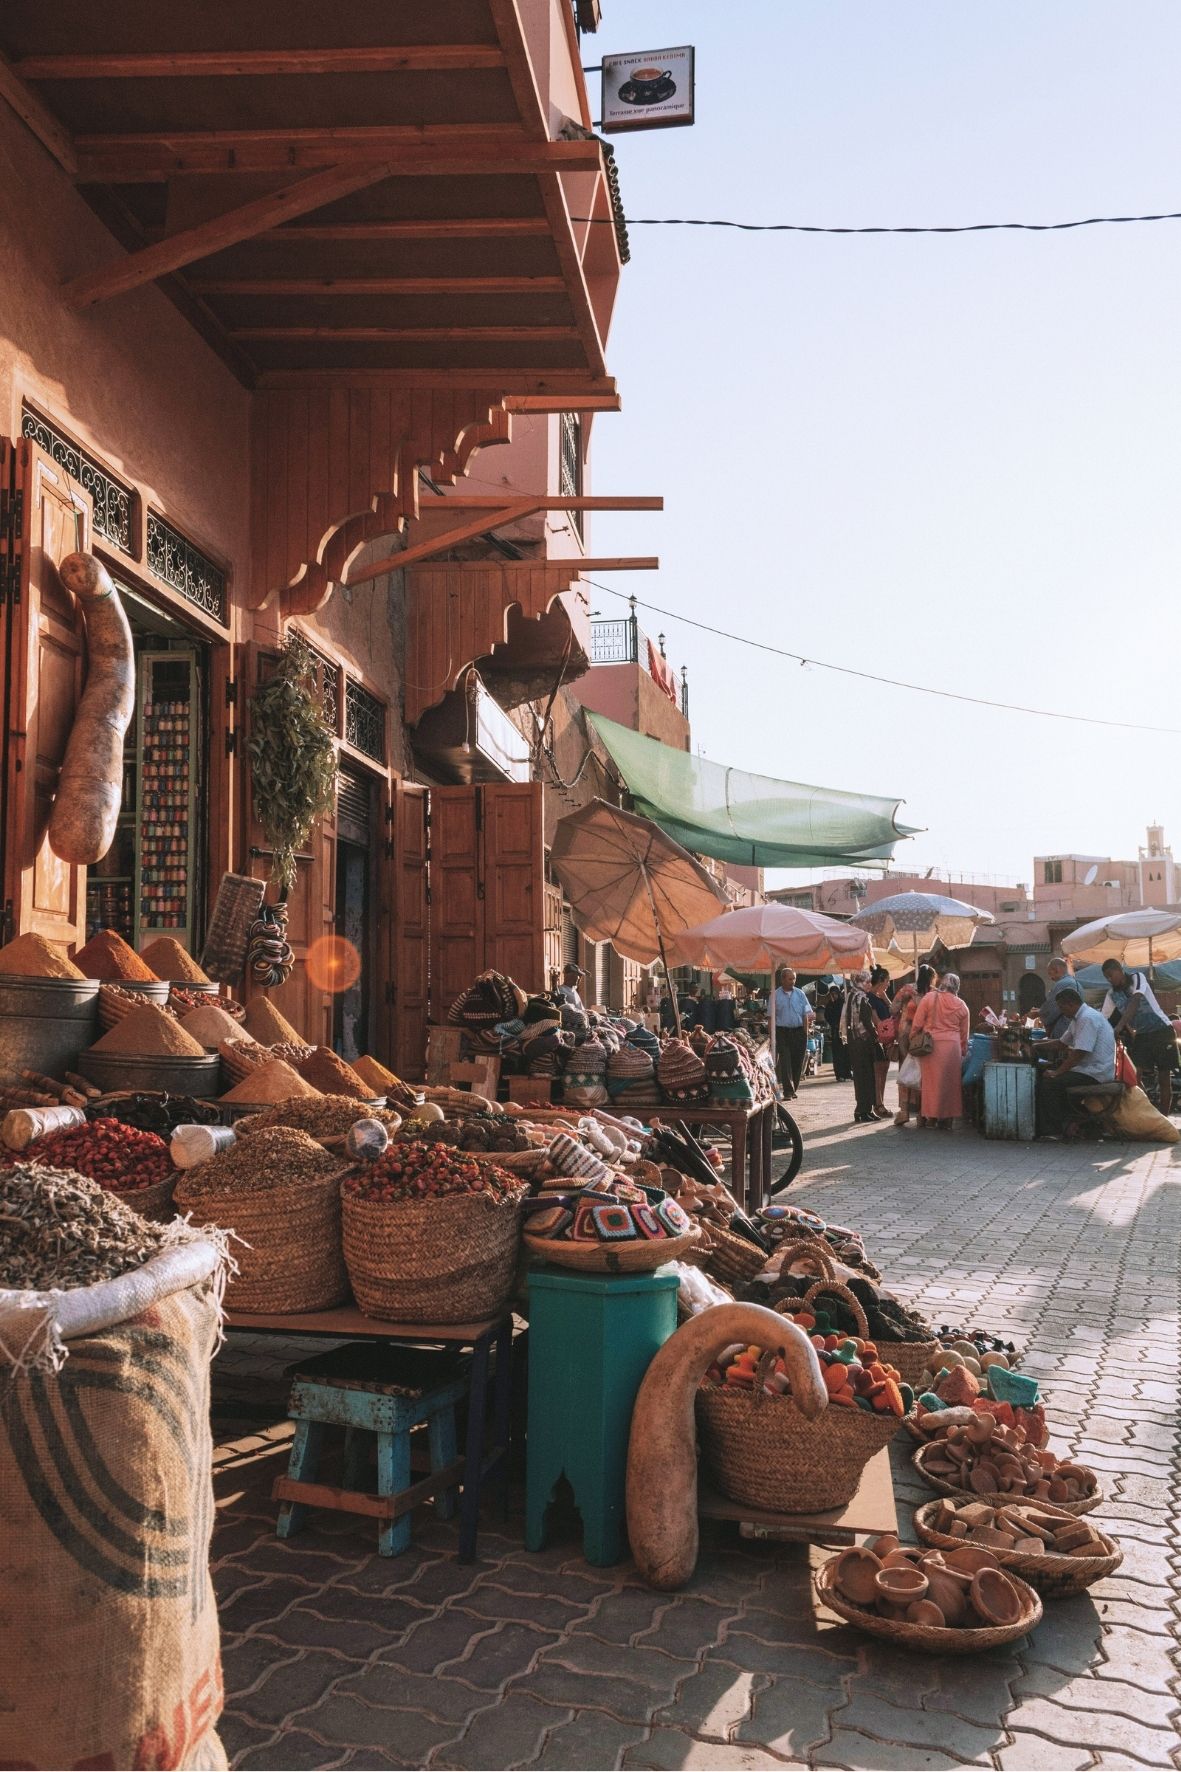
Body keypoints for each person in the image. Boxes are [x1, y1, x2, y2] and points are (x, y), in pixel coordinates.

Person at [1100, 958, 1178, 1116]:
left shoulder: (1137, 978)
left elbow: (1135, 1002)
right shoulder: (1111, 994)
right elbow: (1103, 1018)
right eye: (1106, 977)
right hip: (1142, 1034)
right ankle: (1148, 1110)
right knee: (1134, 1074)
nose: (1109, 979)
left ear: (1120, 970)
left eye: (1111, 974)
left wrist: (1120, 1026)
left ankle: (1164, 1116)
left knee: (1164, 1075)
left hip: (1162, 1030)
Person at [1040, 985, 1116, 1136]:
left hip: (1096, 1072)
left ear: (1071, 1004)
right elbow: (1061, 1043)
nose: (1061, 1011)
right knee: (1052, 1078)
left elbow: (1079, 1053)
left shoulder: (1087, 1018)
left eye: (1062, 1007)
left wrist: (1057, 1072)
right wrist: (1035, 1045)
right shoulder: (1078, 1018)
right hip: (1089, 1069)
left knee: (1049, 1084)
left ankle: (1058, 1127)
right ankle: (1069, 1121)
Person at [910, 970, 971, 1128]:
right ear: (957, 987)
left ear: (942, 983)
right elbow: (964, 1034)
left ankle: (931, 1117)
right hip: (952, 1047)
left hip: (931, 1045)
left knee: (930, 1083)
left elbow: (917, 1022)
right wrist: (963, 1050)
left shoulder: (929, 998)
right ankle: (948, 1118)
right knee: (950, 1085)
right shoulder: (962, 1005)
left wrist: (913, 1036)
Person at [893, 963, 937, 1126]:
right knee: (924, 1073)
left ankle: (904, 1111)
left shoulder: (906, 989)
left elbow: (893, 1009)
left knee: (906, 1071)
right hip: (925, 1036)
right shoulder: (934, 993)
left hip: (905, 1034)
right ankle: (921, 1113)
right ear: (932, 978)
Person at [841, 969, 883, 1123]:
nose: (870, 985)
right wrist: (876, 1036)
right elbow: (866, 1021)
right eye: (867, 981)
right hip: (863, 1042)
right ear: (861, 982)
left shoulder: (851, 995)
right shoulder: (861, 998)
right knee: (866, 1077)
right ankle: (864, 1110)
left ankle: (863, 1109)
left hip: (853, 1042)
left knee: (860, 1077)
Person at [773, 966, 813, 1100]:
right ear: (782, 979)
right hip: (782, 1032)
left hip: (799, 1032)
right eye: (790, 979)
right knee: (785, 1062)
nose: (792, 981)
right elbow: (770, 1017)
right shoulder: (775, 995)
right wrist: (772, 1036)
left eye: (794, 979)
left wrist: (805, 1033)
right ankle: (788, 1092)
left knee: (797, 1062)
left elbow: (806, 1014)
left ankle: (793, 1089)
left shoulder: (800, 994)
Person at [865, 966, 895, 1118]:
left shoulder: (880, 998)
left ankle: (880, 1103)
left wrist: (885, 998)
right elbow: (876, 1021)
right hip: (878, 1039)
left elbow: (893, 1011)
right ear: (882, 979)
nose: (889, 984)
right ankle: (878, 1104)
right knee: (878, 1073)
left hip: (886, 1039)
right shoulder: (869, 998)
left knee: (883, 1071)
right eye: (888, 980)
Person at [1039, 956, 1084, 1041]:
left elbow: (1050, 1010)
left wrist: (1039, 1013)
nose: (1050, 977)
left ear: (1056, 970)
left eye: (1050, 973)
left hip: (1063, 1031)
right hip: (1076, 1030)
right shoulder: (1077, 984)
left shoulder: (1061, 984)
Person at [823, 984, 850, 1080]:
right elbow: (827, 1016)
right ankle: (839, 1074)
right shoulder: (830, 1005)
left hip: (844, 1031)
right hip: (835, 1031)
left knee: (846, 1052)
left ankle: (847, 1073)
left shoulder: (843, 1003)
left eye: (835, 994)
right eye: (832, 994)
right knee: (837, 1054)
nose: (833, 996)